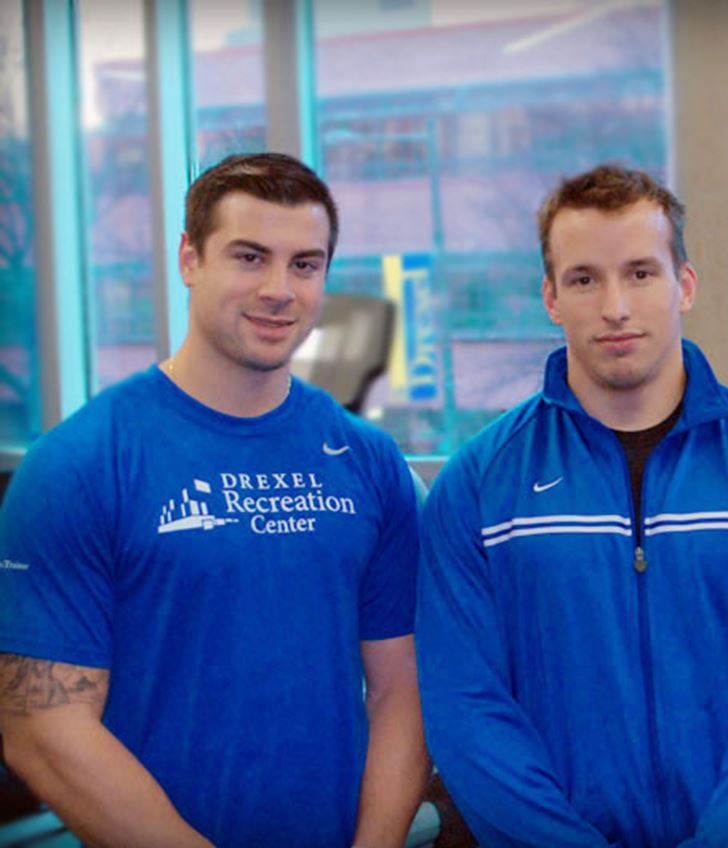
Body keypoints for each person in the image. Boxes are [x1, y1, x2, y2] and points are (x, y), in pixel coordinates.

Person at [415, 164, 728, 847]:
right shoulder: (476, 486)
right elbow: (467, 707)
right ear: (551, 297)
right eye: (584, 278)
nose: (615, 306)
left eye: (641, 273)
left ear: (685, 284)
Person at [0, 153, 428, 846]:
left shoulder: (370, 463)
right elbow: (43, 727)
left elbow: (401, 691)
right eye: (250, 257)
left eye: (305, 264)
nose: (279, 289)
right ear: (189, 258)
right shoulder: (79, 463)